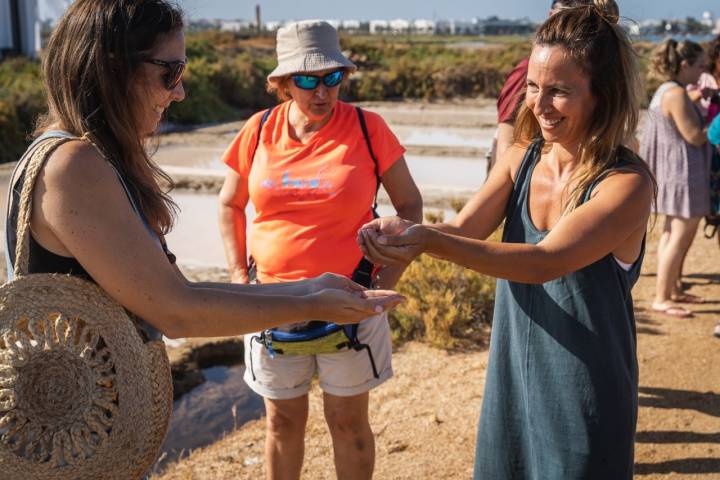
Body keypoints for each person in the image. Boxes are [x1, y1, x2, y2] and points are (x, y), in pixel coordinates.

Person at [5, 1, 404, 365]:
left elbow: (180, 292)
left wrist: (311, 289)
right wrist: (313, 305)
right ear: (114, 68)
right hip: (73, 425)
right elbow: (176, 312)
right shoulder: (75, 166)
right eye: (170, 72)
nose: (179, 91)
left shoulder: (73, 155)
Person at [358, 1, 655, 478]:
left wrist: (425, 239)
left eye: (559, 91)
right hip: (513, 383)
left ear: (602, 94)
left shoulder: (625, 184)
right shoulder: (521, 157)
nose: (538, 104)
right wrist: (394, 250)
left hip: (584, 395)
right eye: (533, 86)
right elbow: (461, 231)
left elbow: (544, 261)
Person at [218, 20, 422, 480]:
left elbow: (409, 204)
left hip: (351, 303)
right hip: (269, 304)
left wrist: (383, 285)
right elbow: (230, 203)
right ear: (283, 83)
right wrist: (238, 279)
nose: (322, 90)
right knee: (282, 423)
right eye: (307, 79)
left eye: (332, 77)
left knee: (348, 423)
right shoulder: (258, 129)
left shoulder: (369, 129)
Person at [640, 39, 711, 317]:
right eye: (700, 66)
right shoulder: (676, 94)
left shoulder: (667, 90)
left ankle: (672, 290)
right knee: (679, 235)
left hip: (673, 172)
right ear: (685, 66)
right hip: (683, 172)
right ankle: (662, 297)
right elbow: (693, 135)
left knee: (672, 233)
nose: (703, 72)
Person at [488, 0, 592, 173]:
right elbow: (506, 140)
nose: (572, 23)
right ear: (551, 15)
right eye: (566, 14)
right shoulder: (528, 70)